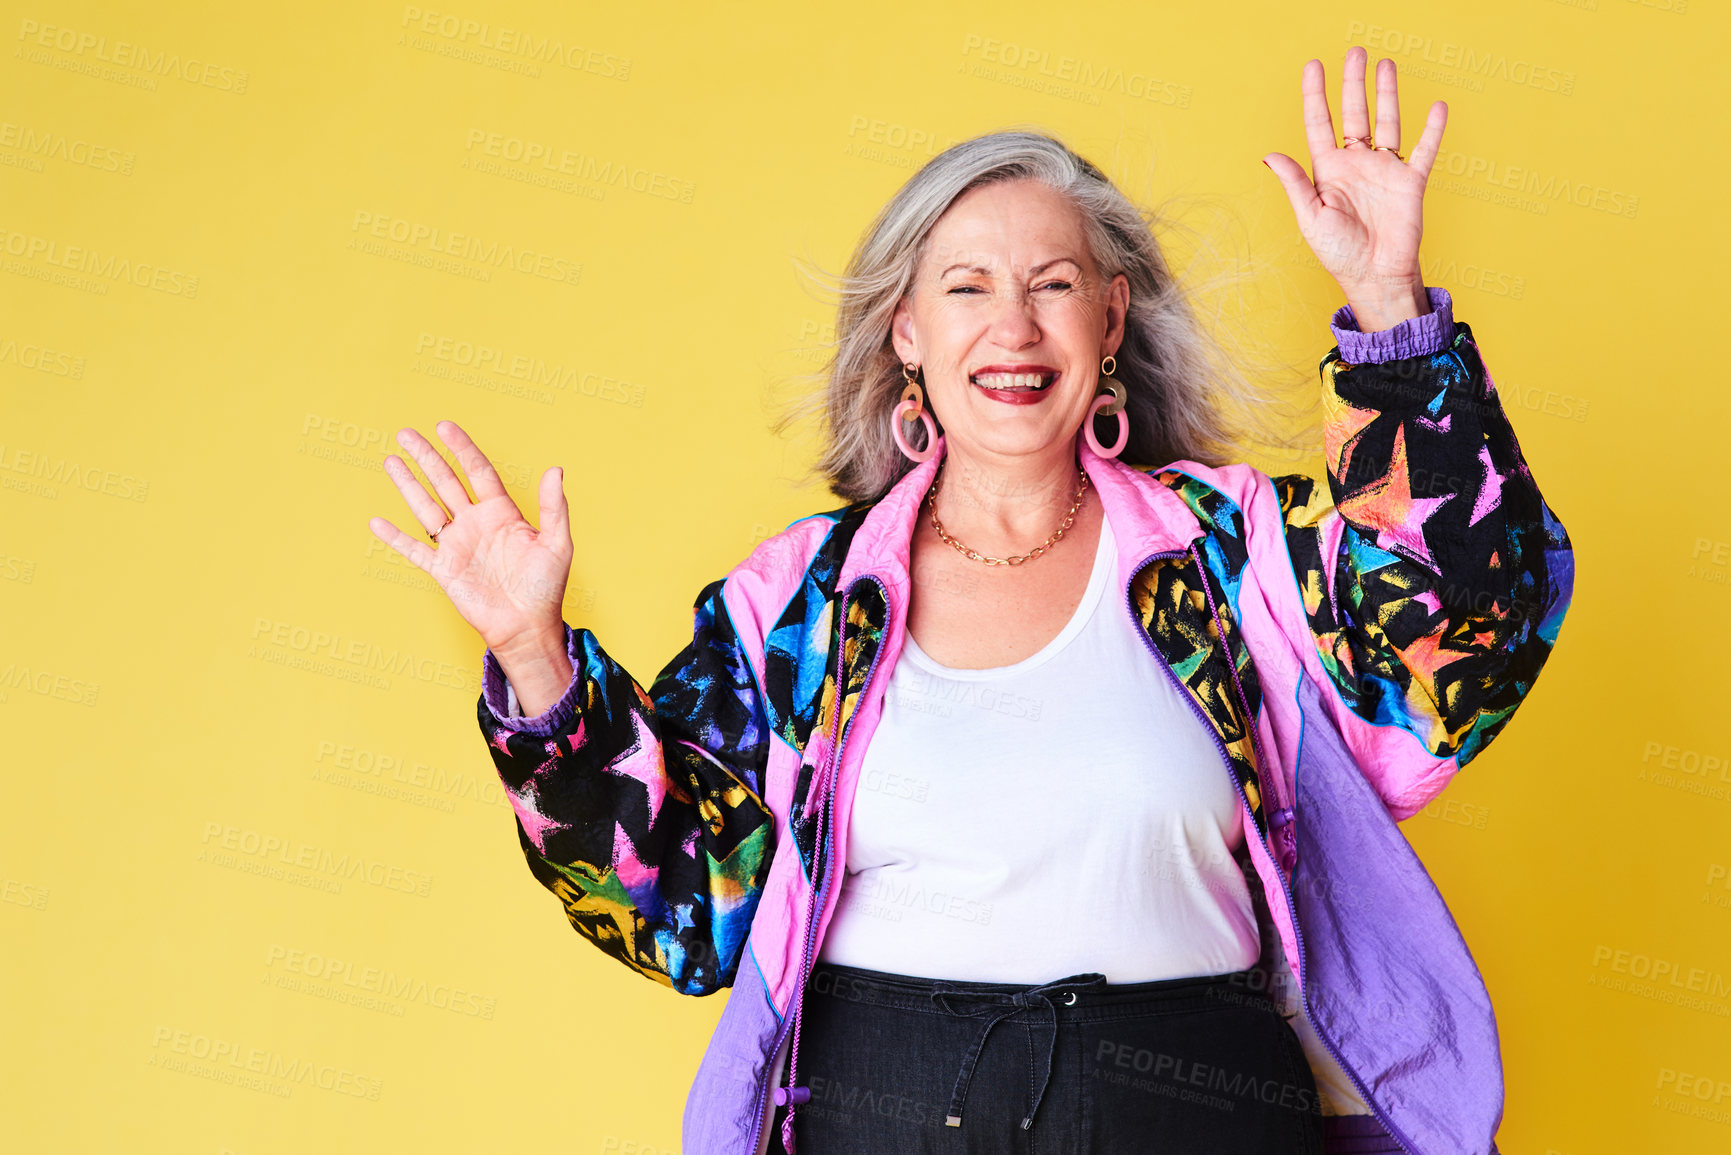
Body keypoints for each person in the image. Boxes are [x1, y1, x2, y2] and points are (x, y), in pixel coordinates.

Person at [369, 48, 1571, 1155]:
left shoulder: (1231, 554)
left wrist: (1388, 308)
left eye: (1054, 284)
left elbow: (1456, 646)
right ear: (906, 332)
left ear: (1109, 322)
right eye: (966, 287)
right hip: (881, 1116)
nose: (1012, 325)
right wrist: (537, 662)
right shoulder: (799, 605)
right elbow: (687, 900)